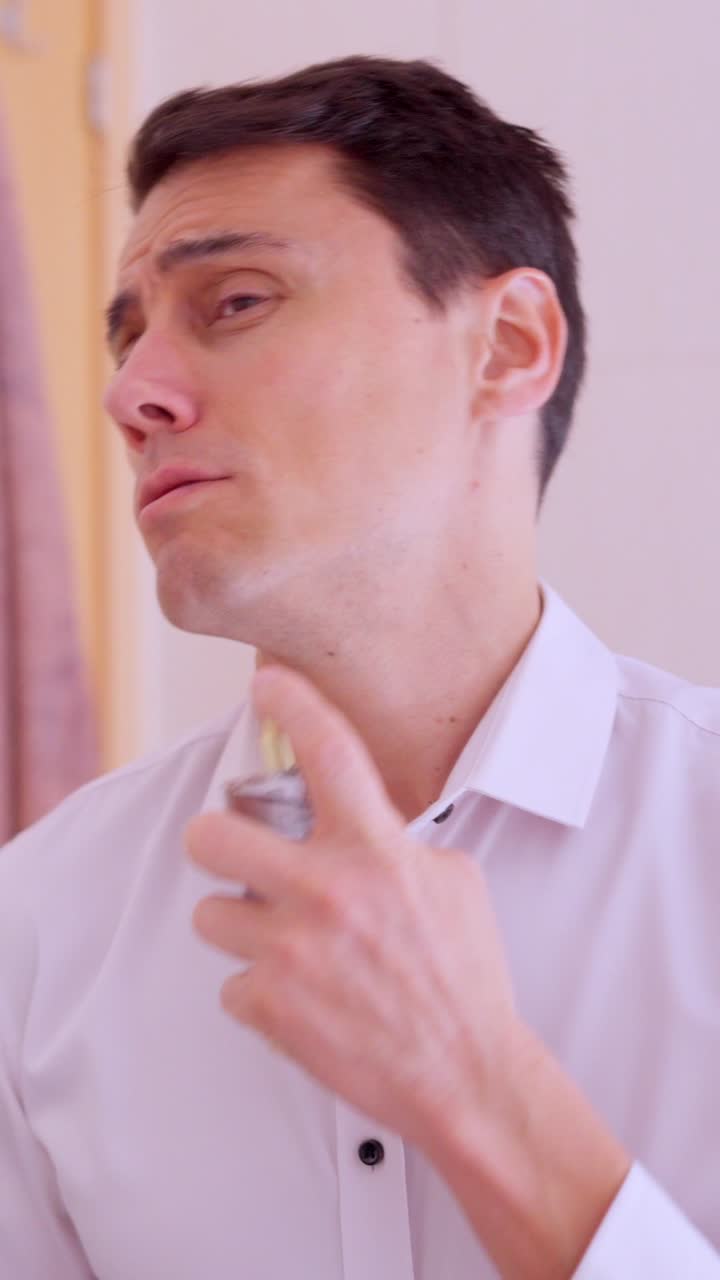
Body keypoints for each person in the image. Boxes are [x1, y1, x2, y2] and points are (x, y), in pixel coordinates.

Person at [0, 55, 717, 1280]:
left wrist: (475, 1085)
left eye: (234, 301)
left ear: (507, 343)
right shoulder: (37, 923)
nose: (131, 393)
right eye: (127, 341)